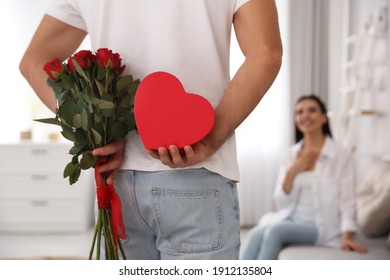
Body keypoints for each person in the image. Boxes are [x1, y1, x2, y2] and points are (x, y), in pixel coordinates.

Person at [19, 0, 282, 259]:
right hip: (196, 177)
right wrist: (210, 140)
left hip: (116, 182)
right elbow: (265, 54)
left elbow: (34, 62)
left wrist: (96, 128)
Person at [240, 95, 368, 260]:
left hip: (321, 227)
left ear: (323, 117)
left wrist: (347, 236)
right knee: (255, 234)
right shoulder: (290, 155)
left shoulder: (341, 155)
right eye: (299, 112)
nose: (305, 116)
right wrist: (293, 170)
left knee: (276, 231)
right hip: (292, 218)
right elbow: (281, 203)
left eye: (312, 110)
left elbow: (348, 200)